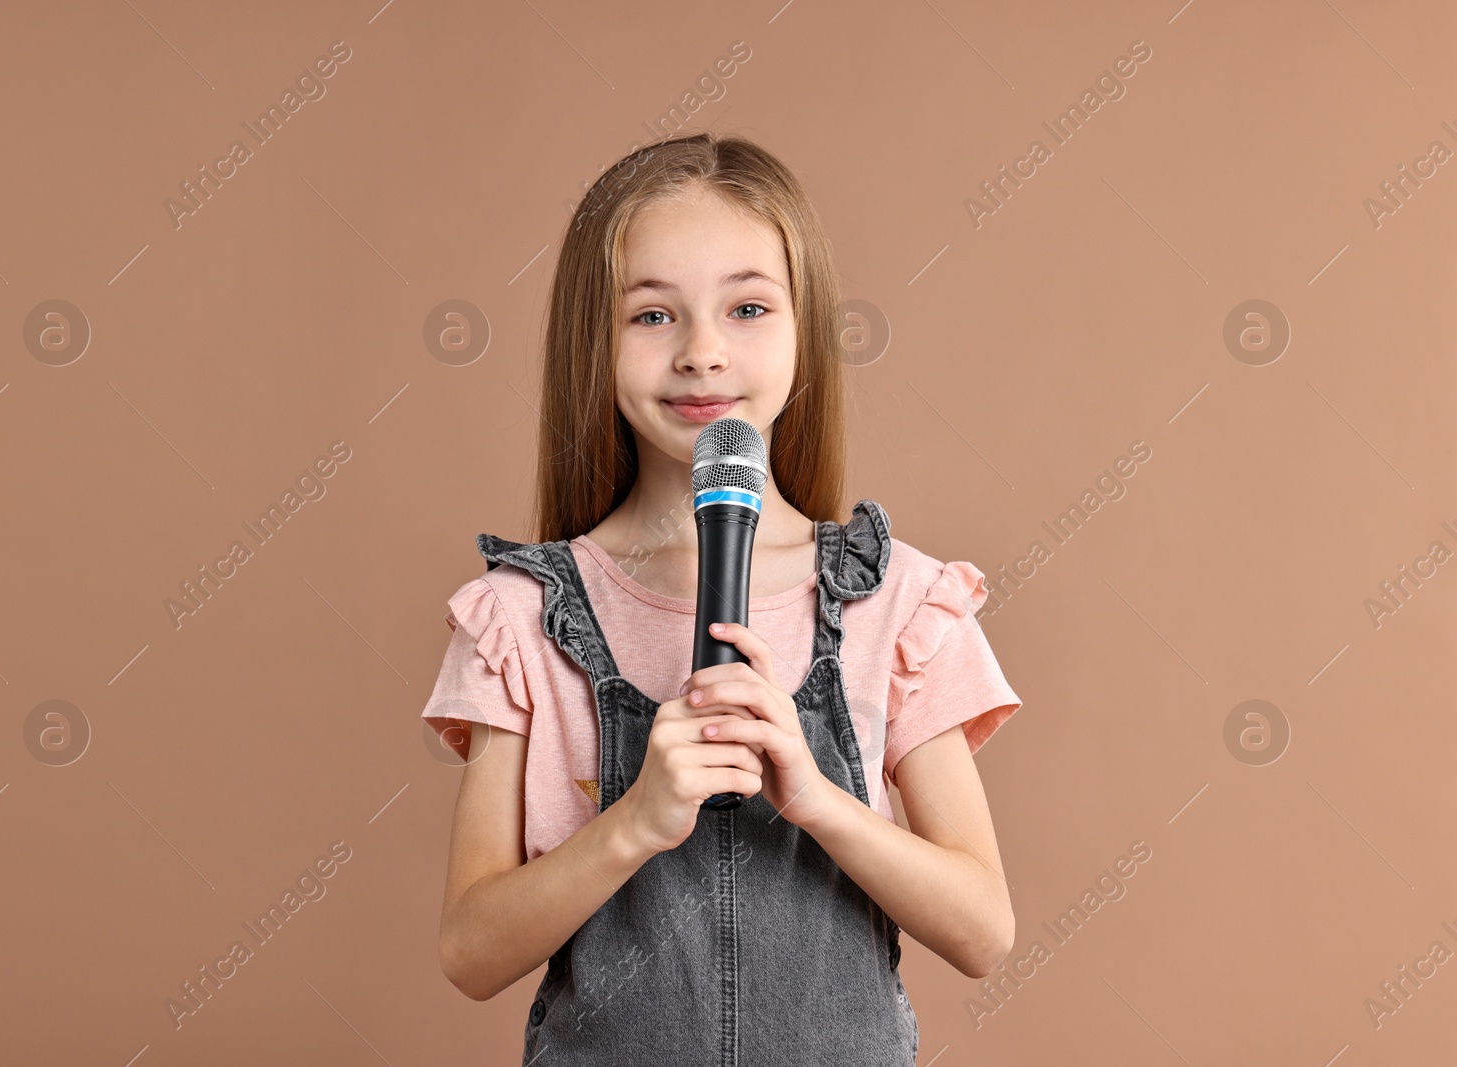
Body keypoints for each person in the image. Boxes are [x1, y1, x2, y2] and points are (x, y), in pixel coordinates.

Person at [422, 131, 1023, 1065]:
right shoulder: (521, 618)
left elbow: (984, 931)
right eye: (653, 316)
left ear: (805, 330)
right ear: (596, 339)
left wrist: (819, 800)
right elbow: (470, 950)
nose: (704, 353)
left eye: (747, 307)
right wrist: (632, 824)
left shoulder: (895, 601)